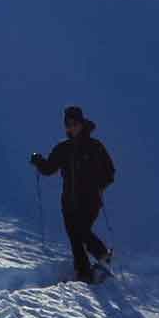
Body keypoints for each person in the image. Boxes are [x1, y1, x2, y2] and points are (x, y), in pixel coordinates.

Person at [31, 105, 115, 282]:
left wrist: (99, 184)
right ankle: (84, 273)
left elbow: (110, 172)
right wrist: (38, 161)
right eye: (68, 124)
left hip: (91, 200)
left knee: (82, 230)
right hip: (68, 201)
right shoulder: (64, 148)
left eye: (74, 123)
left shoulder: (95, 146)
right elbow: (49, 168)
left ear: (82, 124)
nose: (71, 127)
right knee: (74, 238)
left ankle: (102, 256)